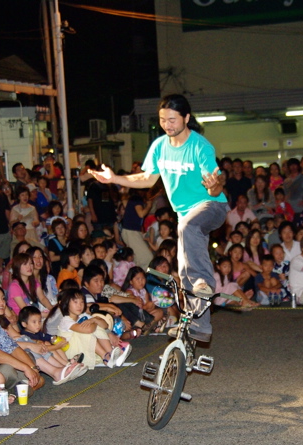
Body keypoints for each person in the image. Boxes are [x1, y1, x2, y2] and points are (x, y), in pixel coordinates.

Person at [89, 95, 227, 342]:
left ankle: (204, 284)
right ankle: (200, 325)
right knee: (184, 269)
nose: (168, 125)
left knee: (188, 228)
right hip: (185, 215)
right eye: (163, 120)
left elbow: (214, 187)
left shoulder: (200, 146)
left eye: (172, 120)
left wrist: (216, 186)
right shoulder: (160, 146)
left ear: (186, 118)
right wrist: (114, 179)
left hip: (211, 206)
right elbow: (147, 178)